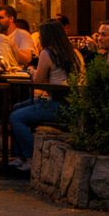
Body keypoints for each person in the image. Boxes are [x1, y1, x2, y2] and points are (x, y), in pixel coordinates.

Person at [9, 19, 85, 172]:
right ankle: (20, 157)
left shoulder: (47, 52)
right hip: (75, 102)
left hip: (60, 103)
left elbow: (37, 81)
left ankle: (31, 157)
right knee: (15, 108)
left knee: (16, 117)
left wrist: (30, 71)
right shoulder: (74, 51)